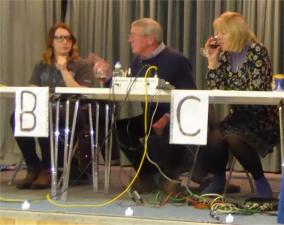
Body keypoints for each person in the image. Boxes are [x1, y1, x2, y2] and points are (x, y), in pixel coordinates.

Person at [202, 12, 279, 198]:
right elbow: (216, 90)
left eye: (222, 33)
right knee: (211, 135)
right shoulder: (225, 56)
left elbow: (256, 88)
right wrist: (212, 60)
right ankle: (219, 179)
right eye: (216, 33)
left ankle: (261, 181)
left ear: (236, 33)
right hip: (237, 116)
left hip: (260, 117)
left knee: (233, 137)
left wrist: (229, 90)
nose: (217, 38)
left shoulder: (257, 51)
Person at [114, 18, 196, 193]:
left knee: (161, 136)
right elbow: (130, 89)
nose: (129, 40)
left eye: (133, 36)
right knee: (121, 129)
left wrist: (167, 118)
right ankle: (147, 174)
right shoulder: (138, 61)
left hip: (175, 118)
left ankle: (168, 177)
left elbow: (191, 98)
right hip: (150, 117)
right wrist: (108, 80)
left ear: (150, 39)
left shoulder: (176, 60)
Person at [11, 22, 95, 189]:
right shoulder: (41, 65)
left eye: (68, 38)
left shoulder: (82, 65)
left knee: (48, 115)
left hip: (73, 109)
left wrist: (64, 70)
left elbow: (81, 92)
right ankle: (33, 165)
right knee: (17, 117)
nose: (65, 42)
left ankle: (49, 170)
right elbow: (32, 91)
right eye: (60, 38)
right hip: (45, 108)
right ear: (51, 42)